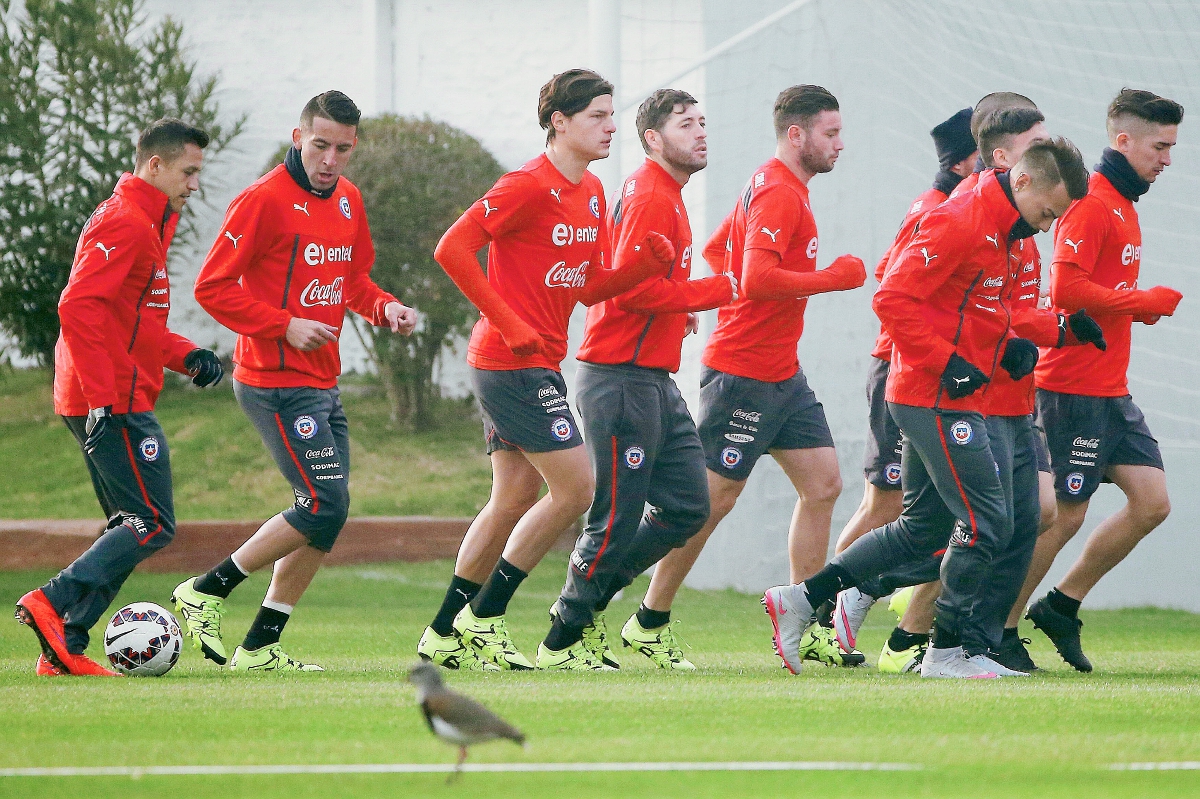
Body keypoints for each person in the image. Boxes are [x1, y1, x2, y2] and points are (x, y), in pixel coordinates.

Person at [764, 137, 1090, 678]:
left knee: (921, 530)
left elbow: (989, 313)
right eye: (1047, 213)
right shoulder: (960, 217)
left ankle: (800, 600)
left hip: (949, 395)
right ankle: (945, 652)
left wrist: (1058, 329)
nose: (1048, 225)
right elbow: (891, 297)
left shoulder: (1007, 229)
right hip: (933, 396)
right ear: (1023, 181)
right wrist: (948, 363)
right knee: (989, 521)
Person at [417, 69, 674, 671]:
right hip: (509, 360)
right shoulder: (526, 185)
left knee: (512, 497)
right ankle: (485, 618)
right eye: (598, 116)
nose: (612, 127)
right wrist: (507, 322)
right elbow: (451, 249)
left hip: (536, 360)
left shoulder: (589, 193)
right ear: (559, 121)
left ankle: (443, 632)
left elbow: (586, 288)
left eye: (613, 115)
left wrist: (643, 269)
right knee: (578, 488)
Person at [175, 91, 418, 672]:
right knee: (321, 503)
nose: (330, 159)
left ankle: (260, 645)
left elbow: (353, 280)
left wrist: (385, 308)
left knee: (328, 513)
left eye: (343, 149)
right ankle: (206, 589)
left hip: (321, 382)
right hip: (272, 380)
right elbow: (212, 287)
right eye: (320, 145)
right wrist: (284, 326)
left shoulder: (348, 201)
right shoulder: (262, 200)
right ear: (297, 137)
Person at [634, 84, 867, 669]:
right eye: (830, 133)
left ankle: (804, 614)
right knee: (709, 504)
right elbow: (757, 276)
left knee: (824, 485)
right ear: (797, 135)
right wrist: (832, 278)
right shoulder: (780, 193)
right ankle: (648, 619)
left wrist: (731, 297)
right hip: (740, 374)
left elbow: (720, 250)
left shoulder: (779, 187)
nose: (840, 144)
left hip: (782, 373)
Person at [538, 89, 737, 671]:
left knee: (685, 506)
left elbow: (646, 285)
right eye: (685, 124)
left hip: (652, 378)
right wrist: (709, 291)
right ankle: (562, 641)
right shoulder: (651, 192)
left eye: (704, 122)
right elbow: (631, 291)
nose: (700, 132)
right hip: (619, 377)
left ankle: (583, 605)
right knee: (616, 515)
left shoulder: (666, 193)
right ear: (652, 138)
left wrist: (682, 305)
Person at [16, 119, 222, 677]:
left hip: (107, 392)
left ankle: (66, 648)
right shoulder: (126, 222)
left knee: (130, 526)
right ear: (154, 165)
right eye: (188, 171)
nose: (194, 184)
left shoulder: (145, 223)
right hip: (108, 399)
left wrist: (186, 356)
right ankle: (52, 603)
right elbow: (77, 307)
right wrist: (104, 399)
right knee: (151, 521)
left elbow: (129, 323)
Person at [1015, 88, 1184, 672]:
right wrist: (1138, 299)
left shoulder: (1125, 203)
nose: (1167, 159)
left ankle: (1060, 605)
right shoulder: (1090, 201)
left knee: (1152, 502)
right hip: (1069, 388)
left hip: (1110, 389)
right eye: (1160, 146)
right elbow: (1063, 291)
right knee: (1063, 515)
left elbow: (1098, 295)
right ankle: (1001, 629)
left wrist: (1132, 307)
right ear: (1123, 141)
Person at [826, 107, 977, 661]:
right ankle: (822, 610)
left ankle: (884, 625)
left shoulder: (947, 206)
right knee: (887, 504)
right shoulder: (939, 209)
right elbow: (891, 282)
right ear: (968, 161)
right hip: (904, 369)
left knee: (920, 510)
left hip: (917, 369)